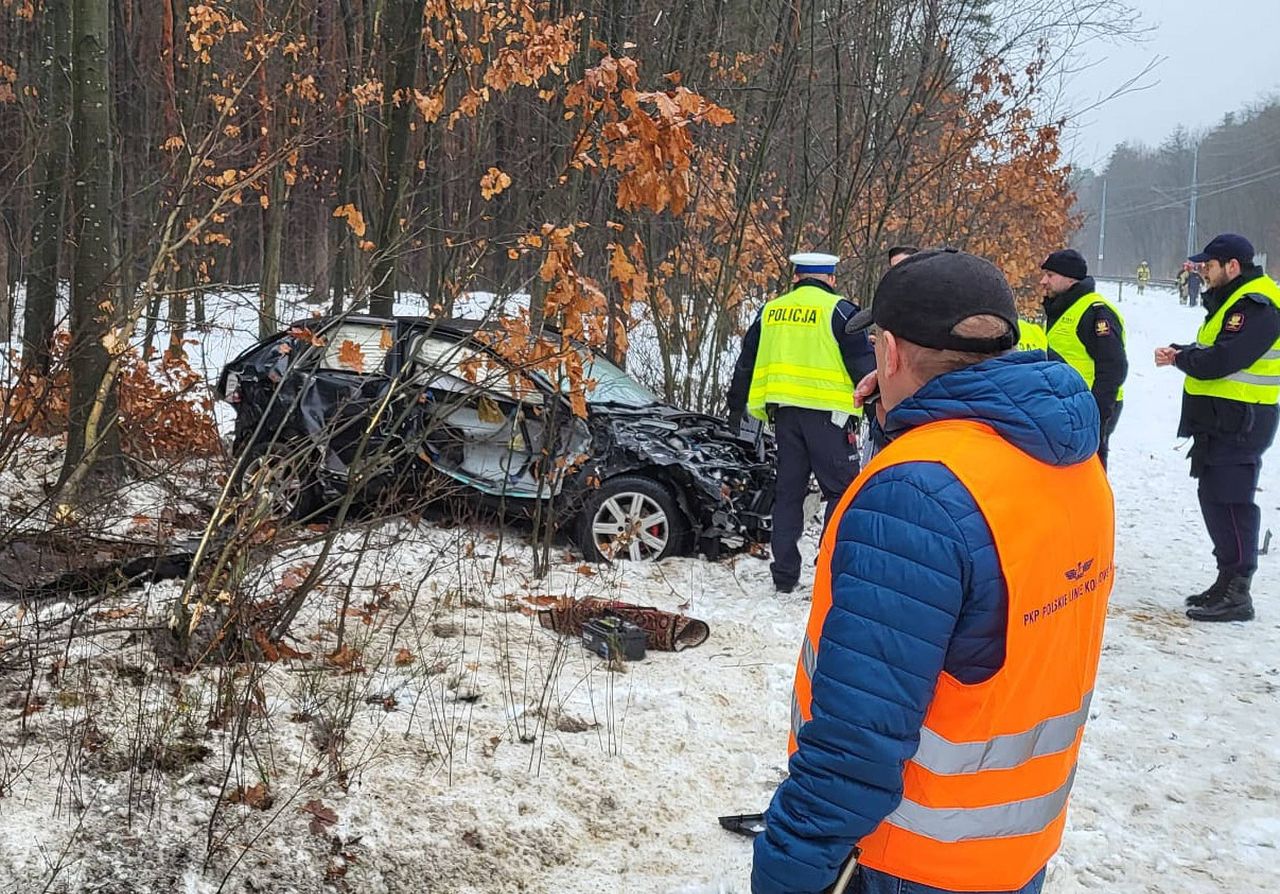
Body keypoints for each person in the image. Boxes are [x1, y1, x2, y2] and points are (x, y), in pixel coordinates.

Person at [752, 249, 1114, 894]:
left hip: (909, 855)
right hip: (1011, 846)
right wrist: (909, 424)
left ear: (888, 352)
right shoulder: (1070, 462)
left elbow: (860, 729)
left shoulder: (915, 493)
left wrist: (793, 860)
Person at [726, 252, 876, 593]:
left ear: (795, 277)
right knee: (841, 493)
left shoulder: (771, 311)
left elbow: (745, 364)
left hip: (785, 417)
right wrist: (876, 414)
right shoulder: (841, 311)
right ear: (831, 279)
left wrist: (735, 409)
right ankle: (829, 567)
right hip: (831, 420)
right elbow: (863, 368)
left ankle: (784, 575)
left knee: (788, 494)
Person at [1154, 233, 1280, 622]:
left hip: (1243, 420)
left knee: (1231, 501)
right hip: (1222, 419)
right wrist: (1184, 352)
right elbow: (1213, 351)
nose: (1202, 272)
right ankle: (1225, 580)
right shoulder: (1232, 301)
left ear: (1232, 267)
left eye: (1208, 266)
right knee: (1215, 497)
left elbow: (1223, 359)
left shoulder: (1257, 305)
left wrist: (1181, 358)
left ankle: (1238, 591)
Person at [1040, 248, 1128, 467]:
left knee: (1089, 470)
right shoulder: (1061, 308)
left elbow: (1114, 367)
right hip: (1067, 407)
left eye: (1050, 275)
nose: (1043, 281)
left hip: (1091, 407)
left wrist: (1096, 414)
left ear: (1070, 279)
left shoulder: (1097, 313)